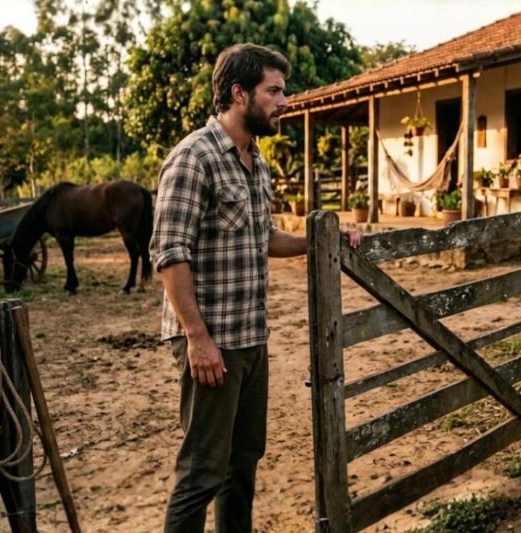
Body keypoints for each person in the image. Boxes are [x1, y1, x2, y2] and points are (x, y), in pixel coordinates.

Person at [150, 43, 362, 533]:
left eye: (283, 91)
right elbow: (170, 254)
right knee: (202, 472)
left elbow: (263, 237)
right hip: (211, 343)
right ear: (239, 93)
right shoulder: (192, 158)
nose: (285, 101)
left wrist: (324, 237)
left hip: (251, 338)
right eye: (275, 91)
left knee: (242, 465)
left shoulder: (256, 161)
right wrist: (197, 338)